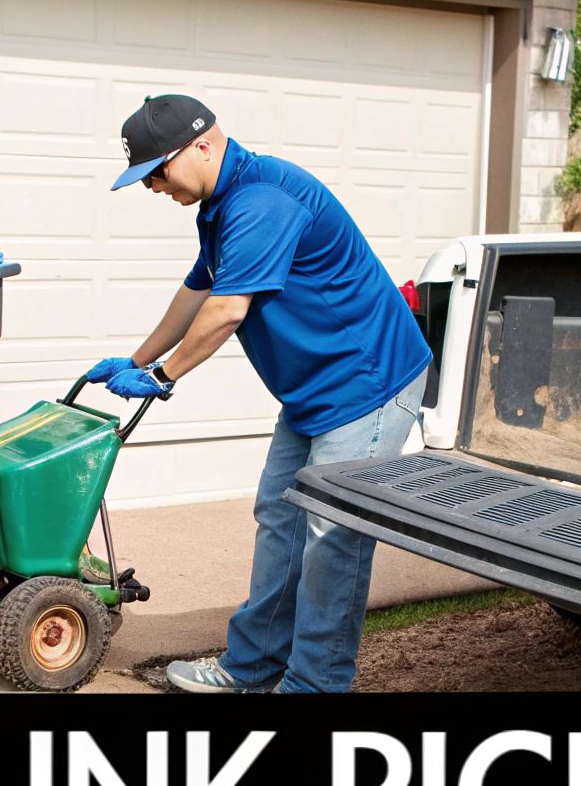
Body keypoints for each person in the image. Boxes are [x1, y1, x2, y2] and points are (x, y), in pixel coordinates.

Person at [91, 95, 429, 694]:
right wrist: (138, 359)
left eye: (157, 172)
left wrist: (165, 377)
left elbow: (225, 311)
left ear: (200, 145)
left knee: (332, 537)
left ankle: (316, 685)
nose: (153, 187)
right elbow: (199, 291)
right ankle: (252, 667)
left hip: (369, 385)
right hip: (312, 392)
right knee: (281, 520)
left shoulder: (262, 201)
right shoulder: (219, 205)